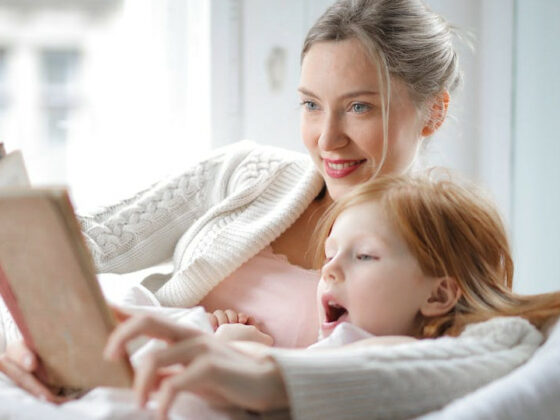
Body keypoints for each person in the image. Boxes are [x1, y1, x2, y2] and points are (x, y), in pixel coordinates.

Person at [0, 0, 464, 409]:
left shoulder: (443, 253)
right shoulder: (246, 173)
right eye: (311, 105)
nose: (327, 139)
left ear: (434, 111)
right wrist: (32, 346)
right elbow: (68, 252)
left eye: (359, 107)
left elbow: (438, 376)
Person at [103, 172, 560, 419]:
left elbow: (320, 381)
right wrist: (237, 342)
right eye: (330, 252)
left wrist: (243, 354)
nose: (329, 269)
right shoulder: (338, 344)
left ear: (439, 295)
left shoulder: (393, 349)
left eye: (364, 256)